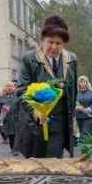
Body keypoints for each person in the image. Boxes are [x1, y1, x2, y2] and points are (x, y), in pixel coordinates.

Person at [15, 15, 78, 158]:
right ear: (42, 40)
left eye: (59, 43)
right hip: (35, 125)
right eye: (50, 42)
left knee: (55, 165)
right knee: (35, 167)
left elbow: (73, 90)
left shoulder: (71, 60)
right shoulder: (30, 59)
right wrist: (34, 111)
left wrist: (71, 117)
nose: (54, 47)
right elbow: (22, 90)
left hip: (59, 125)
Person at [0, 82, 19, 154]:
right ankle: (13, 149)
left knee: (17, 135)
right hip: (7, 120)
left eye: (11, 86)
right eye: (7, 86)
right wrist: (1, 117)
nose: (9, 87)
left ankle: (16, 149)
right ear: (5, 88)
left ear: (14, 88)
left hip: (17, 119)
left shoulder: (18, 96)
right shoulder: (1, 98)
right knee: (11, 136)